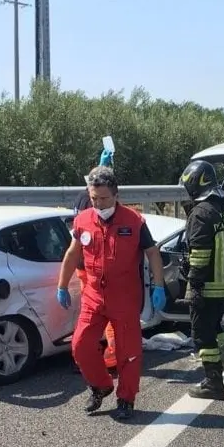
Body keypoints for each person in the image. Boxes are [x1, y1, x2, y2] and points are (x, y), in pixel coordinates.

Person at [57, 166, 167, 418]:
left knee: (127, 352)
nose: (98, 203)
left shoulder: (134, 221)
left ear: (116, 195)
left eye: (104, 198)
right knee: (80, 345)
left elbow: (152, 253)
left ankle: (126, 399)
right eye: (94, 198)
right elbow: (73, 253)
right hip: (94, 294)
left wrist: (159, 285)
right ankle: (101, 385)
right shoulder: (83, 220)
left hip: (125, 296)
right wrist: (62, 285)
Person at [179, 159, 224, 400]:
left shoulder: (201, 213)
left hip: (207, 286)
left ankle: (213, 382)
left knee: (202, 336)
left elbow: (200, 254)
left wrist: (194, 286)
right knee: (217, 329)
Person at [72, 149, 117, 371]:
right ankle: (111, 357)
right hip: (94, 268)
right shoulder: (93, 202)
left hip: (84, 266)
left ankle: (93, 354)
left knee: (91, 313)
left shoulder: (81, 198)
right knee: (104, 314)